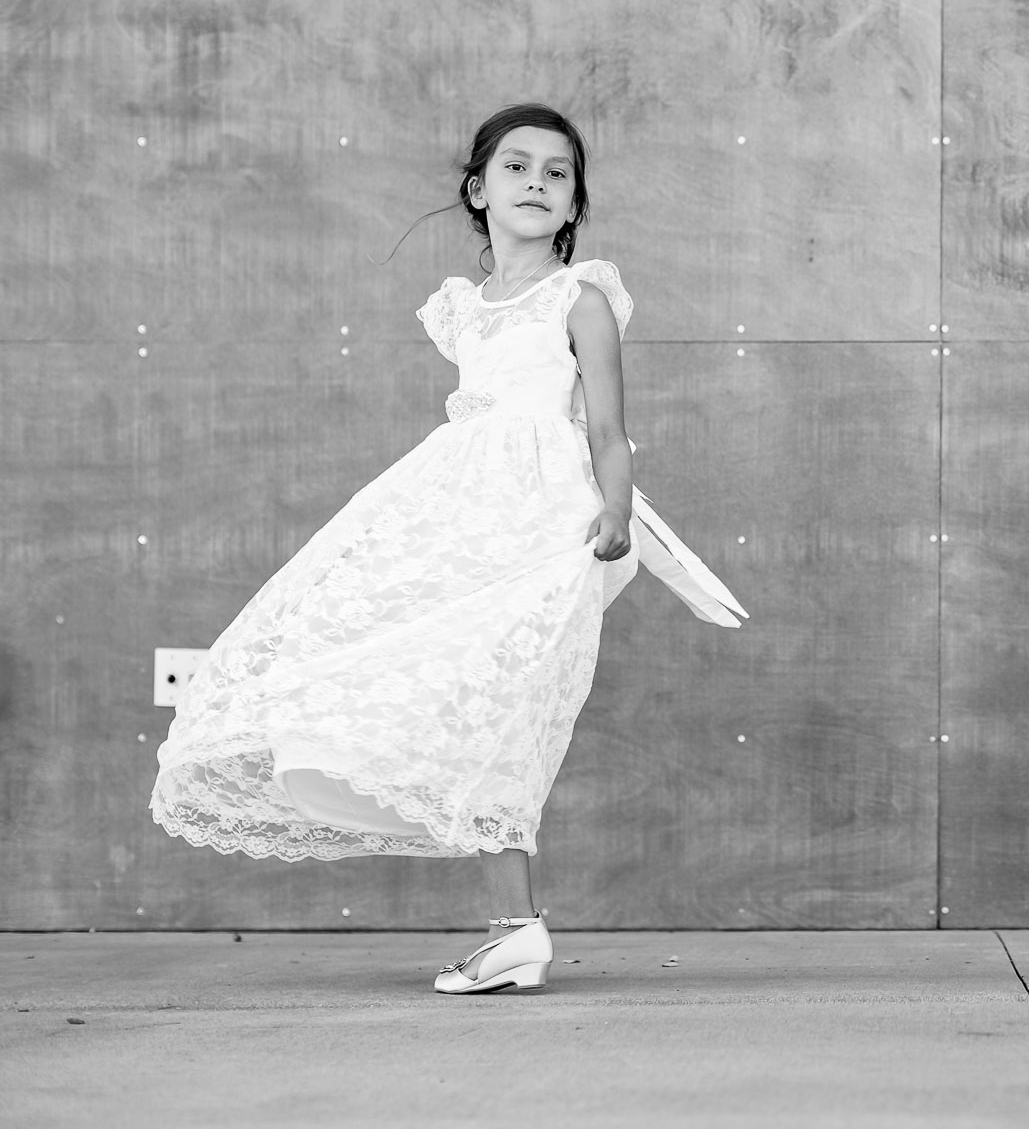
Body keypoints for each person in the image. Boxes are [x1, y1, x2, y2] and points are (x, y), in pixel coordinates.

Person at [150, 103, 745, 995]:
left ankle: (515, 927)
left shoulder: (581, 300)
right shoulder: (465, 308)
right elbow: (479, 419)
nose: (537, 182)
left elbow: (611, 430)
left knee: (501, 703)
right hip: (460, 510)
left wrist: (615, 514)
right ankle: (515, 927)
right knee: (434, 683)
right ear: (478, 189)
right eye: (517, 167)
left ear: (575, 202)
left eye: (557, 172)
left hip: (550, 519)